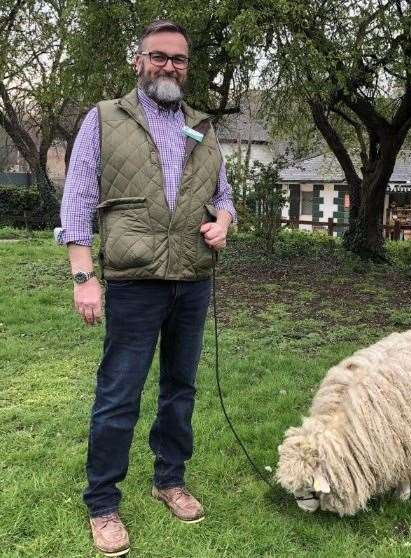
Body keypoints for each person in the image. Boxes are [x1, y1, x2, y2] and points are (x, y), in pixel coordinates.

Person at [58, 20, 236, 556]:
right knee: (119, 393)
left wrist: (224, 221)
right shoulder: (105, 118)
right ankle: (103, 503)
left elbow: (224, 195)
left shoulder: (202, 127)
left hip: (193, 277)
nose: (169, 66)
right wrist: (84, 276)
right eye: (158, 56)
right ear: (138, 61)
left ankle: (169, 479)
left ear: (188, 67)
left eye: (178, 59)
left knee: (180, 389)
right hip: (134, 281)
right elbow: (78, 198)